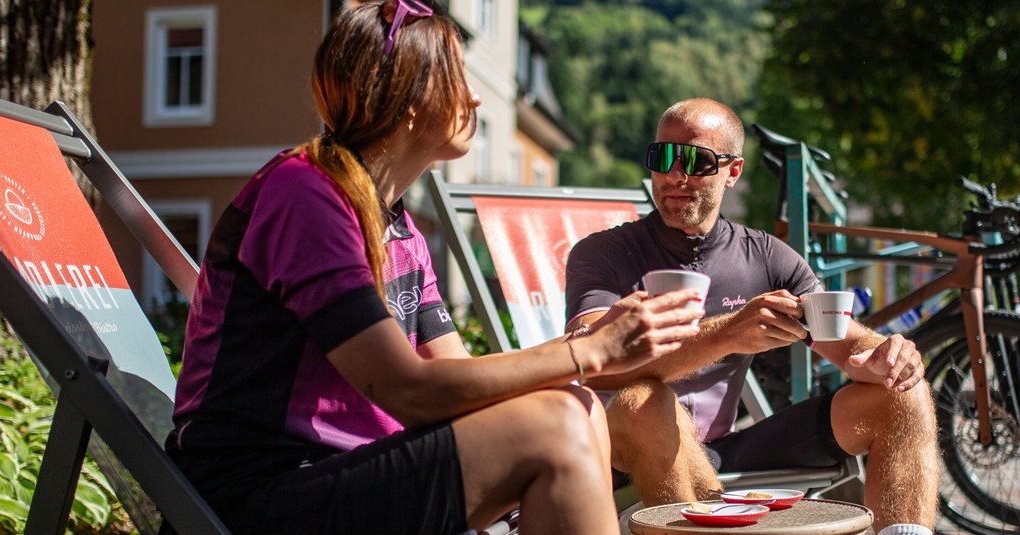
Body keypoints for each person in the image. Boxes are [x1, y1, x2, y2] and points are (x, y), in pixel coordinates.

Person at [166, 3, 701, 534]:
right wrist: (588, 351)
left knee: (578, 408)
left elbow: (456, 377)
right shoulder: (305, 194)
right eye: (456, 78)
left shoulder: (399, 227)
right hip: (258, 493)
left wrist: (595, 354)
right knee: (557, 424)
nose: (472, 96)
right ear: (410, 98)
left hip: (349, 476)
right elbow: (412, 391)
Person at [564, 98, 939, 535]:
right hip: (621, 455)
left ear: (733, 171)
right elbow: (593, 361)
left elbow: (845, 339)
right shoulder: (603, 253)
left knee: (904, 394)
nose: (674, 176)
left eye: (696, 161)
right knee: (644, 399)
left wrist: (889, 356)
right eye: (661, 157)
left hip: (721, 455)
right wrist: (727, 334)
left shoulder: (765, 258)